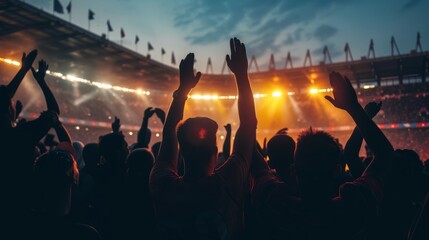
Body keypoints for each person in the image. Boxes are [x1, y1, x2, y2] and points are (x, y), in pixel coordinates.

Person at [251, 72, 394, 239]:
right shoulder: (353, 208)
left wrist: (241, 76)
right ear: (337, 170)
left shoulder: (277, 207)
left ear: (294, 170)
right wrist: (353, 107)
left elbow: (249, 152)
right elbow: (385, 154)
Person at [150, 38, 257, 239]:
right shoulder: (229, 181)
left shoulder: (162, 186)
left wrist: (183, 91)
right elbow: (249, 124)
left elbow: (168, 135)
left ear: (181, 151)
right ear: (216, 153)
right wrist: (241, 75)